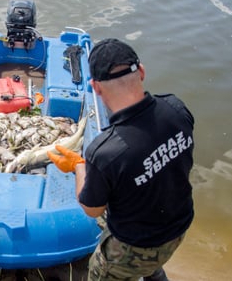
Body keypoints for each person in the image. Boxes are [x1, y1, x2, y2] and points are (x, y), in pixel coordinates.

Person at [48, 38, 194, 280]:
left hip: (133, 246)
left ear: (95, 87)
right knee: (152, 265)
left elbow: (92, 209)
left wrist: (78, 166)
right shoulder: (176, 108)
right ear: (142, 72)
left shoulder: (106, 151)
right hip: (178, 227)